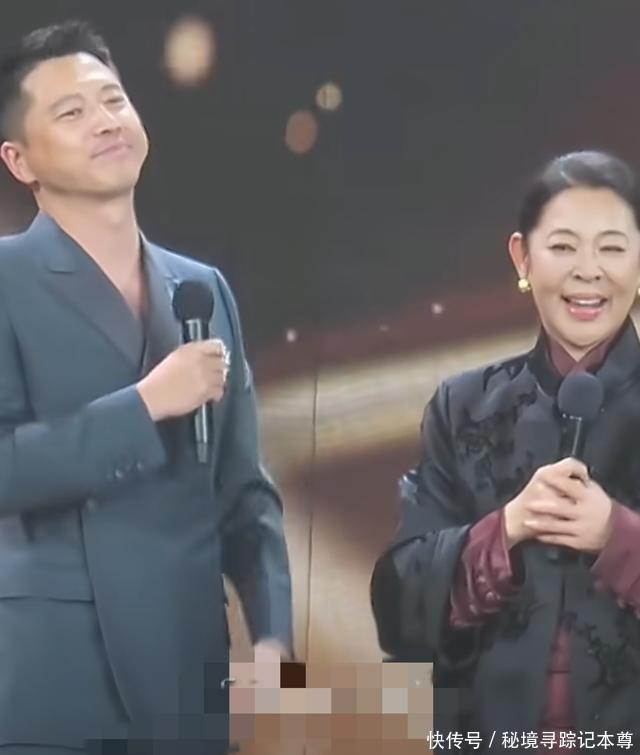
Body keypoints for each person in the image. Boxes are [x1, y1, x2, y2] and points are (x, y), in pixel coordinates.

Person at [0, 20, 292, 755]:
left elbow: (245, 493)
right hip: (55, 687)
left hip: (190, 686)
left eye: (113, 100)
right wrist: (145, 405)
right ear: (19, 159)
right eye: (71, 112)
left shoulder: (201, 288)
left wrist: (274, 638)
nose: (105, 121)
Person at [371, 151, 640, 753]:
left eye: (613, 248)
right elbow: (399, 605)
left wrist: (617, 536)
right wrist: (505, 530)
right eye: (563, 247)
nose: (588, 271)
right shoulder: (463, 407)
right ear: (523, 258)